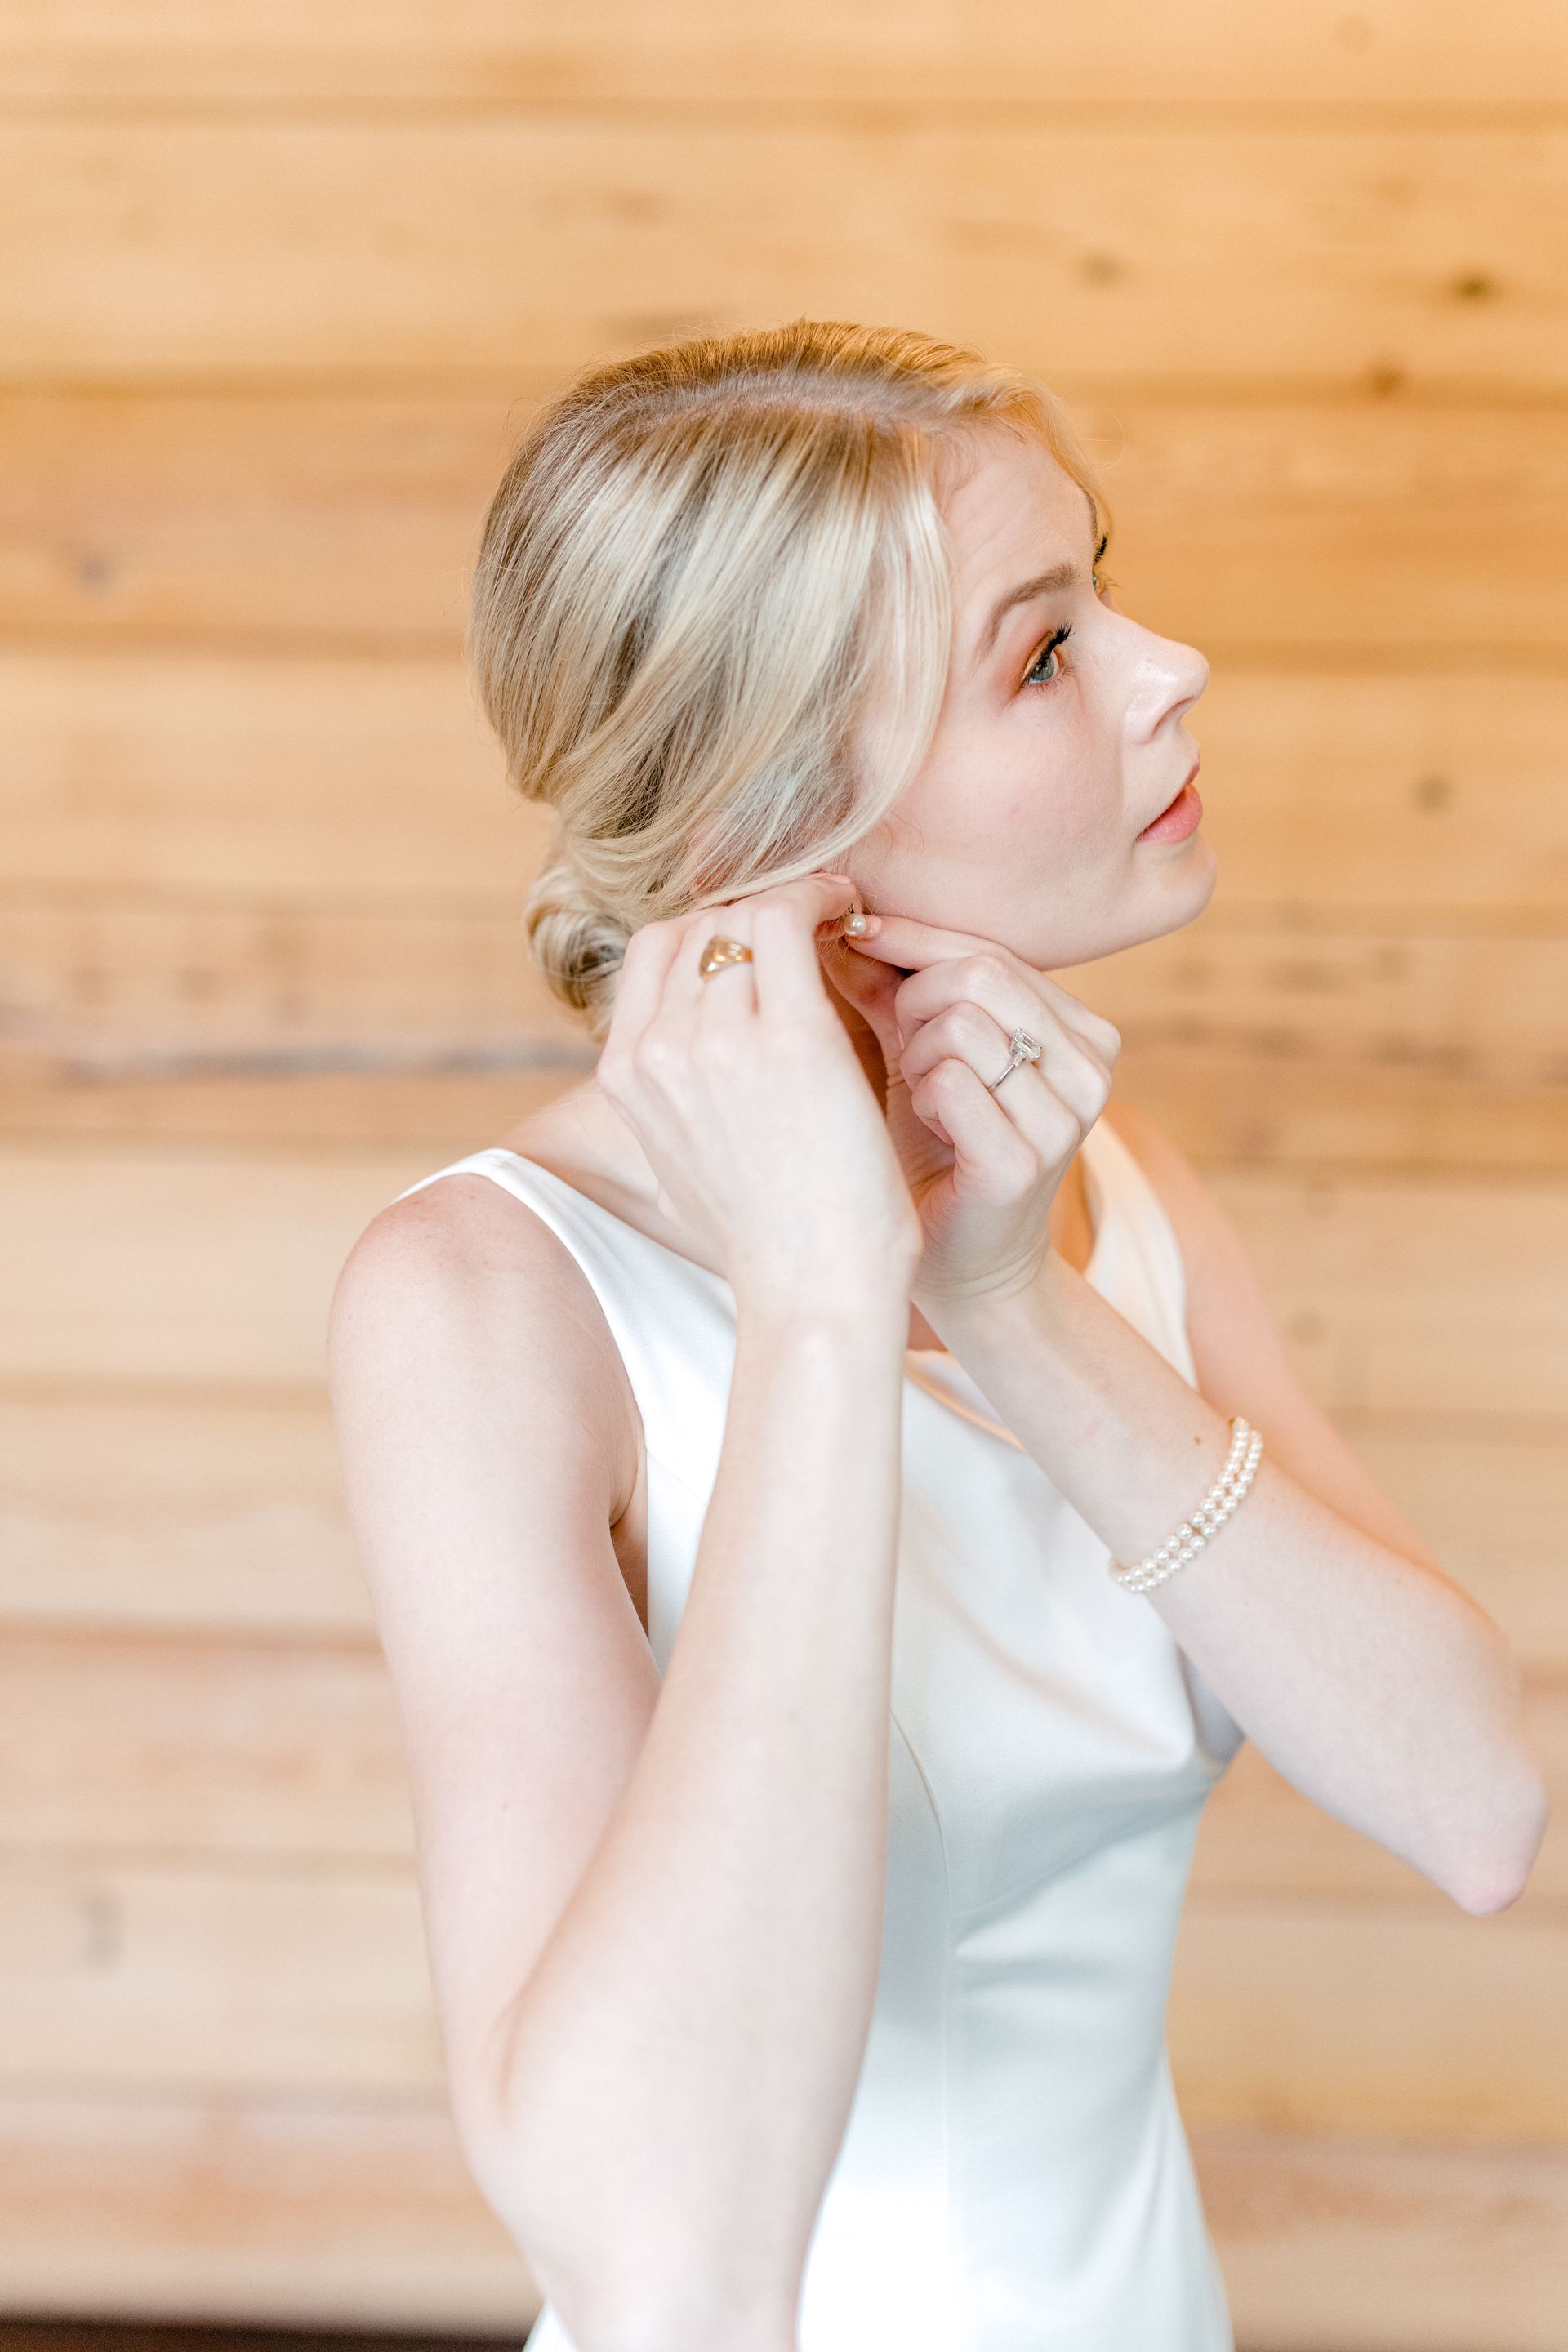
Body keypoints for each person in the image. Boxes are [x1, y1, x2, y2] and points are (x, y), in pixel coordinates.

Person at [326, 320, 1548, 2352]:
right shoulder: (484, 1300)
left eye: (1104, 590)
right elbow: (663, 2245)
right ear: (772, 828)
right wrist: (820, 1306)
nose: (1172, 669)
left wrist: (1008, 1303)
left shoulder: (1106, 1198)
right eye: (1046, 652)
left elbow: (1476, 1805)